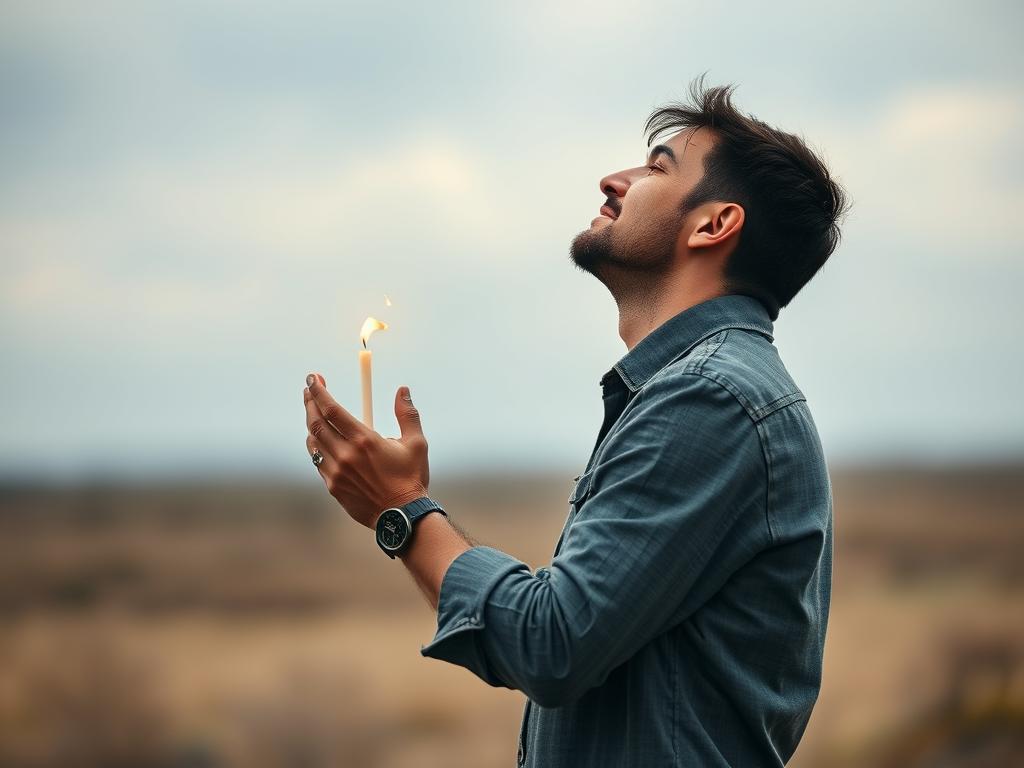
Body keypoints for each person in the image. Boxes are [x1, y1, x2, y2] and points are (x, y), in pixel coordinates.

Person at [301, 74, 849, 767]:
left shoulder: (711, 400)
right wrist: (401, 513)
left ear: (714, 225)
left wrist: (402, 511)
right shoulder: (701, 391)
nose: (612, 180)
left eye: (657, 168)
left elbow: (550, 644)